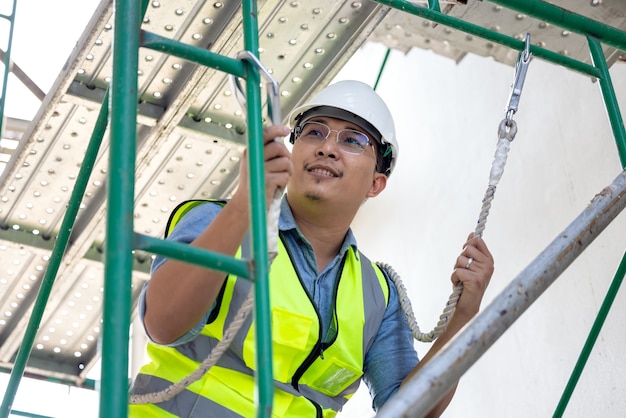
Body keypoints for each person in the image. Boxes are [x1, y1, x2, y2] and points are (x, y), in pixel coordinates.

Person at [129, 80, 494, 417]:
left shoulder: (378, 296)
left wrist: (462, 318)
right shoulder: (220, 221)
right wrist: (246, 202)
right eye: (314, 132)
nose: (327, 147)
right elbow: (162, 325)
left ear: (376, 184)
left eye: (353, 140)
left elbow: (409, 411)